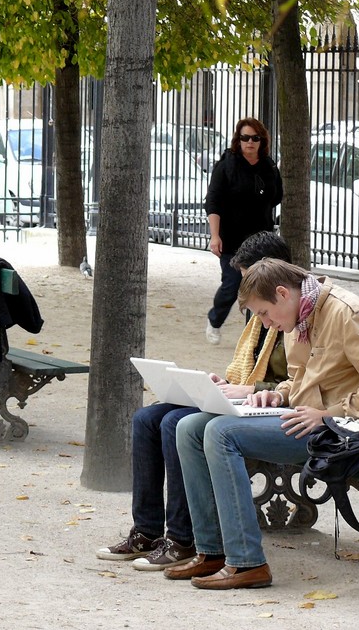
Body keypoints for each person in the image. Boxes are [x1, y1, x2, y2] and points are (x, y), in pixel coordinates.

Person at [168, 259, 359, 590]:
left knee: (220, 433)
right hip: (305, 419)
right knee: (190, 427)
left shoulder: (345, 312)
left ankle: (246, 562)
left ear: (282, 293)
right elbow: (300, 380)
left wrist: (329, 414)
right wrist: (278, 395)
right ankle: (212, 552)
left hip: (339, 431)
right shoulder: (301, 315)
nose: (265, 323)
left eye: (265, 313)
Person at [96, 232, 291, 570]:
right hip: (242, 396)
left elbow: (298, 381)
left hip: (266, 405)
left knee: (176, 424)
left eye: (248, 279)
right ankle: (147, 531)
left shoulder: (291, 312)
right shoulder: (259, 313)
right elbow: (246, 368)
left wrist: (249, 388)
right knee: (146, 418)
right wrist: (223, 384)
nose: (244, 289)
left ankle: (181, 538)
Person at [204, 118, 283, 345]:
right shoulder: (226, 166)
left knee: (260, 286)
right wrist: (215, 235)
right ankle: (215, 320)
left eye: (255, 138)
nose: (250, 142)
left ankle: (256, 333)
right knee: (232, 285)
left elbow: (276, 196)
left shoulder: (268, 166)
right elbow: (213, 202)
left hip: (261, 240)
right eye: (245, 138)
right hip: (232, 238)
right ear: (238, 141)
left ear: (262, 141)